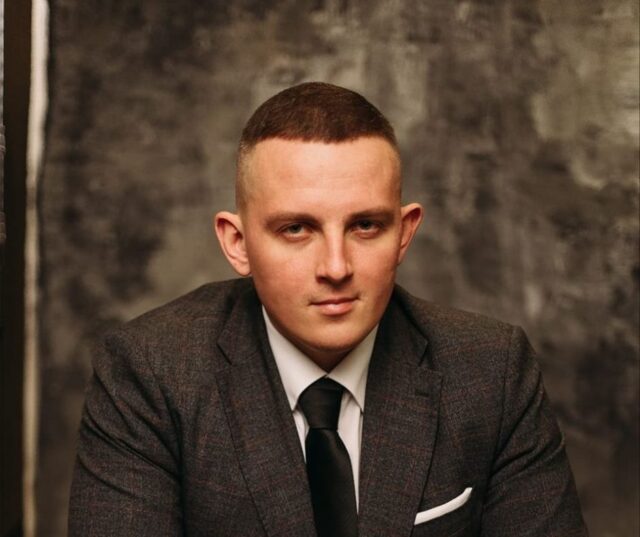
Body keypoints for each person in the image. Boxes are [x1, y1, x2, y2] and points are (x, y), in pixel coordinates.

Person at [69, 82, 588, 536]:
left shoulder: (491, 371)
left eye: (365, 226)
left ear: (404, 233)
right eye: (296, 229)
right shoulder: (151, 373)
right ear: (237, 243)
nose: (336, 266)